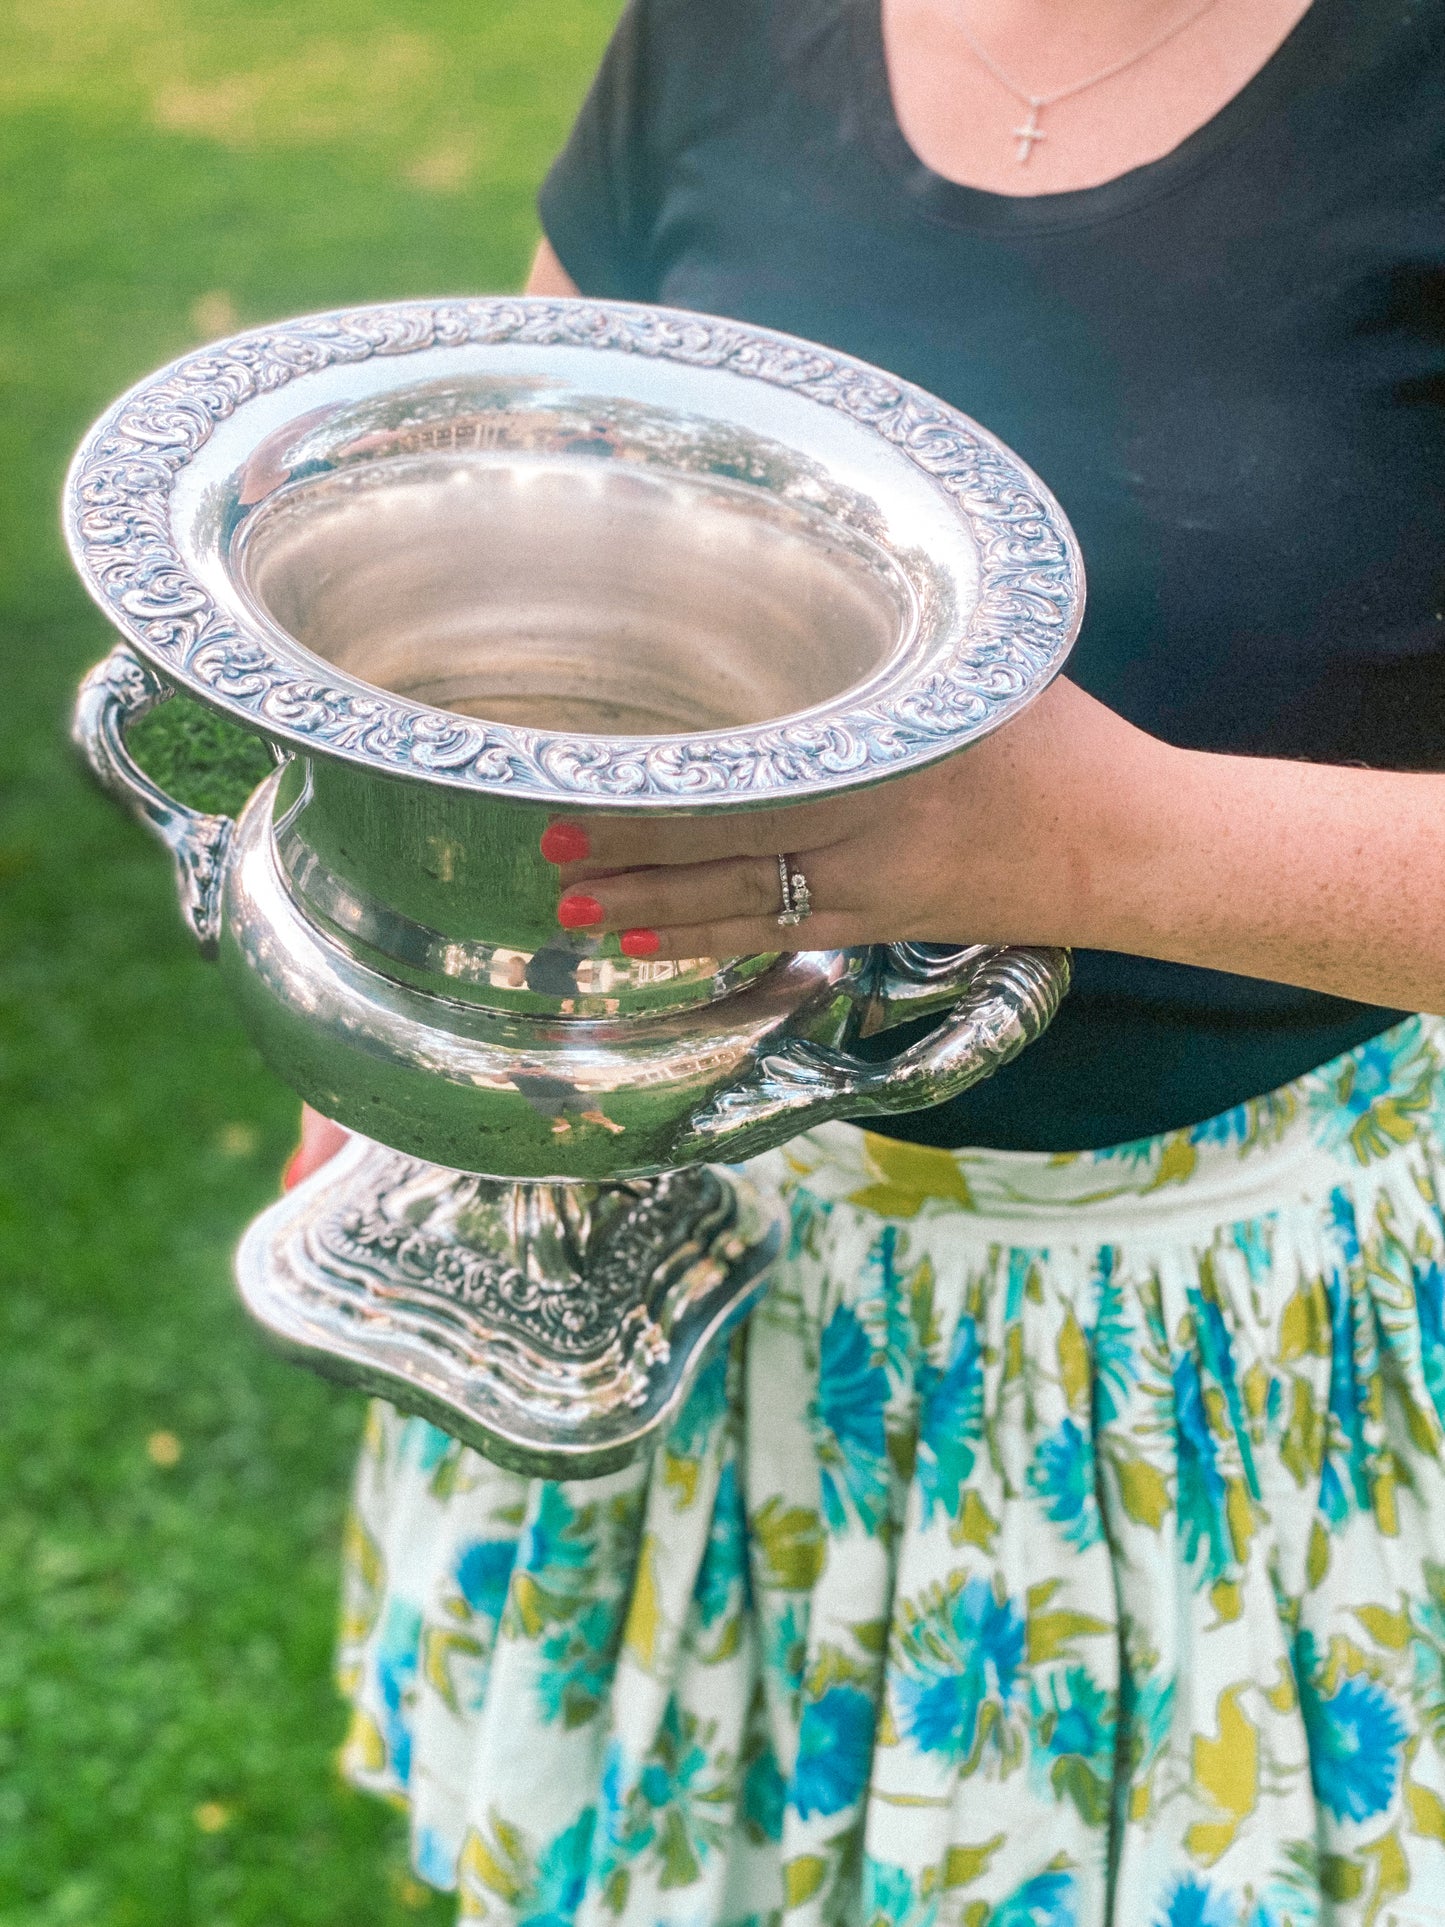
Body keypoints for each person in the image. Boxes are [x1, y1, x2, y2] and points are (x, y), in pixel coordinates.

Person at [290, 1, 1445, 1919]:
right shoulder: (725, 26)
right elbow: (518, 544)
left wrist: (1085, 847)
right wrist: (414, 1011)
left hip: (1192, 1381)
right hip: (667, 1270)